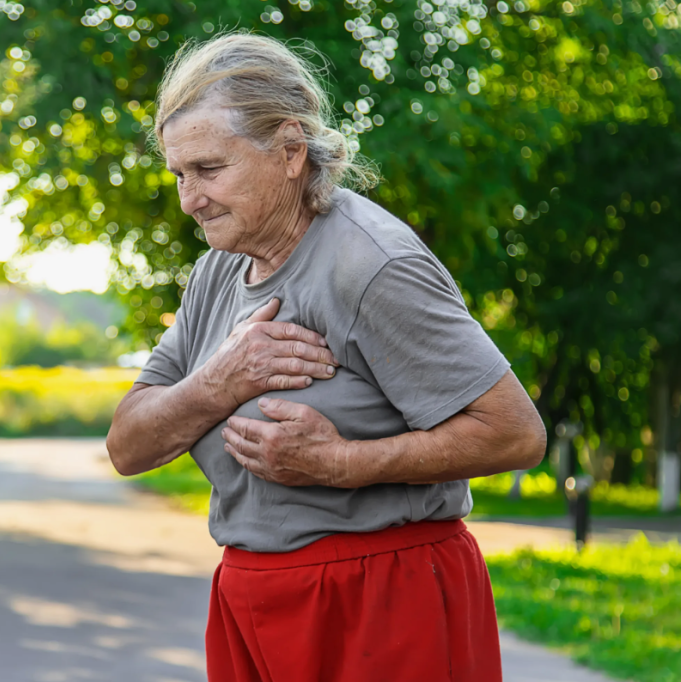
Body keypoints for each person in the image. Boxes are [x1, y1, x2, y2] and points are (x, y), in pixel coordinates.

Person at [106, 32, 546, 682]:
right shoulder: (215, 273)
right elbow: (128, 448)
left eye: (208, 170)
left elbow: (516, 434)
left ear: (289, 150)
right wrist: (220, 382)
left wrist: (346, 463)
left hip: (384, 600)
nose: (188, 199)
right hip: (252, 597)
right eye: (178, 174)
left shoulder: (373, 264)